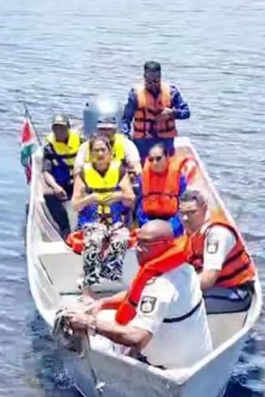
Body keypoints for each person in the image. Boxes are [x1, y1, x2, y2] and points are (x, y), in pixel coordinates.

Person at [64, 220, 213, 370]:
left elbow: (137, 338)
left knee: (92, 331)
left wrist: (90, 322)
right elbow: (139, 295)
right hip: (199, 361)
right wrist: (104, 303)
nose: (137, 248)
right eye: (138, 241)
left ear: (164, 244)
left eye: (145, 244)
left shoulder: (159, 287)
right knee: (104, 314)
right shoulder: (184, 267)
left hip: (166, 369)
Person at [71, 134, 136, 290]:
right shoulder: (83, 173)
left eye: (103, 150)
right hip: (91, 222)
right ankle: (88, 287)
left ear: (110, 152)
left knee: (121, 240)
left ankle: (110, 280)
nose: (100, 154)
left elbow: (131, 199)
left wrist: (118, 195)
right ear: (90, 153)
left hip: (116, 223)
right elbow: (75, 204)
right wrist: (89, 199)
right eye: (95, 151)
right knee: (94, 240)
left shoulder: (120, 170)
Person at [178, 189, 257, 311]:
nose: (185, 218)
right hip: (215, 288)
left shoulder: (217, 234)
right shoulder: (193, 229)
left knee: (178, 302)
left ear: (204, 209)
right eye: (182, 213)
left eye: (191, 212)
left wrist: (177, 288)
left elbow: (208, 279)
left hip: (236, 291)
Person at [121, 61, 191, 159]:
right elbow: (126, 119)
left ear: (160, 77)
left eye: (155, 80)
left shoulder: (172, 92)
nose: (152, 84)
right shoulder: (135, 94)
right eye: (149, 80)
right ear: (144, 77)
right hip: (143, 141)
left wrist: (173, 113)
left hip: (165, 140)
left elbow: (186, 113)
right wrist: (126, 136)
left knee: (165, 168)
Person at [75, 97, 141, 181]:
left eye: (109, 130)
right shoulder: (85, 147)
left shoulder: (126, 144)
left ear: (114, 130)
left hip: (119, 185)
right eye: (102, 130)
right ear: (97, 130)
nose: (105, 133)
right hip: (93, 185)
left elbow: (136, 166)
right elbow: (77, 169)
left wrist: (132, 176)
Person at [135, 143, 188, 236]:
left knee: (173, 230)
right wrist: (145, 222)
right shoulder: (142, 177)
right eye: (151, 160)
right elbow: (140, 203)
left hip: (172, 218)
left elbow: (183, 203)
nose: (154, 163)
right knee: (148, 232)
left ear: (167, 157)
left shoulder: (179, 176)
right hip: (148, 217)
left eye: (158, 159)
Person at [42, 113, 82, 237]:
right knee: (48, 194)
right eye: (56, 128)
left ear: (68, 128)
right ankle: (64, 227)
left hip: (79, 180)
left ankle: (84, 225)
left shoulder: (81, 142)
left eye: (62, 128)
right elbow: (46, 171)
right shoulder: (49, 147)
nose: (59, 131)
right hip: (61, 183)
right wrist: (55, 186)